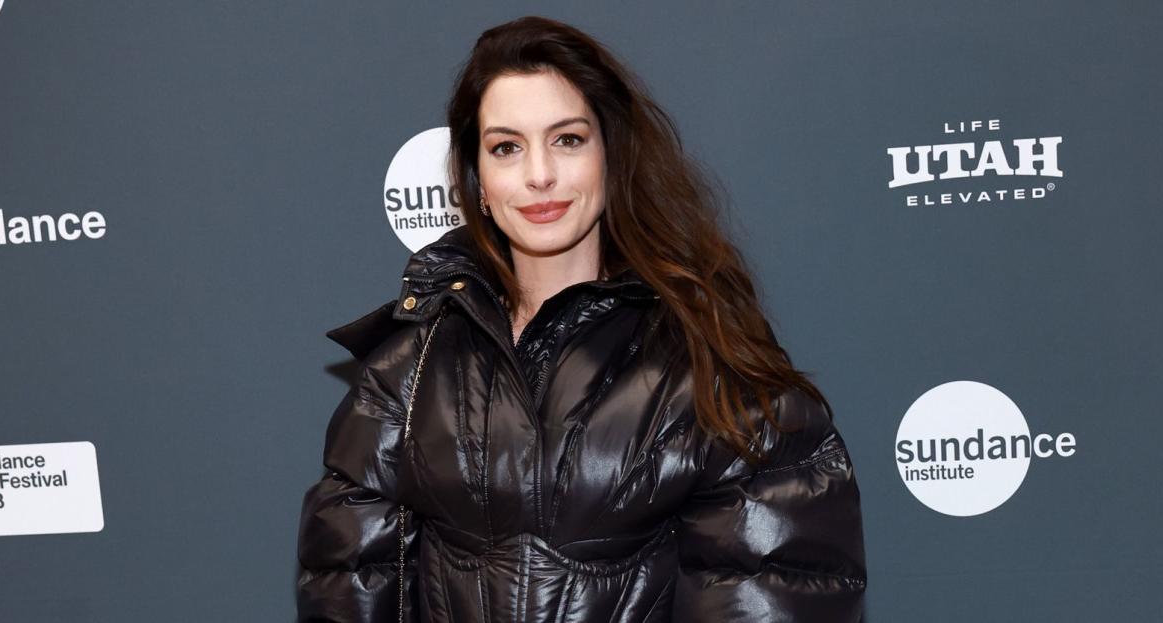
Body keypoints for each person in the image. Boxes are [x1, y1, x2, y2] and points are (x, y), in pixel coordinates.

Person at [296, 15, 865, 623]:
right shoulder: (405, 371)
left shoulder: (709, 359)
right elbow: (349, 589)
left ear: (611, 157)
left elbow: (769, 592)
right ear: (479, 182)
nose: (539, 174)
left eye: (567, 139)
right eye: (506, 147)